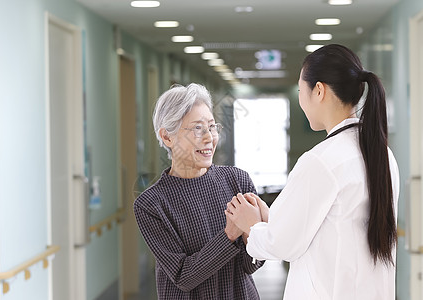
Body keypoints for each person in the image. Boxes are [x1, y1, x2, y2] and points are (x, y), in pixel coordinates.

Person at [226, 44, 399, 300]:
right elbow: (333, 226)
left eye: (300, 90)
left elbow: (281, 244)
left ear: (319, 90)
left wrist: (250, 225)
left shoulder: (321, 161)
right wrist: (270, 219)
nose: (300, 98)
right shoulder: (382, 154)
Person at [134, 83, 264, 299]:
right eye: (197, 128)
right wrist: (230, 234)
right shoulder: (151, 204)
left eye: (212, 127)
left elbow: (251, 265)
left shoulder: (237, 180)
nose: (209, 138)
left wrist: (254, 232)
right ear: (167, 137)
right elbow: (184, 277)